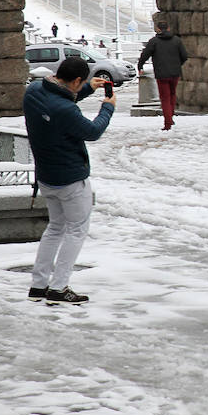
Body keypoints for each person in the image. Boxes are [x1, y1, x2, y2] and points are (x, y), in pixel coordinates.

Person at [24, 56, 115, 306]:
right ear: (75, 79)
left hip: (46, 177)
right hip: (71, 179)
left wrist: (87, 88)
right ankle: (59, 286)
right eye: (81, 82)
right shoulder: (65, 109)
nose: (82, 84)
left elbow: (60, 100)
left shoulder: (34, 90)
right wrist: (108, 106)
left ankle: (39, 284)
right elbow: (92, 131)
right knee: (76, 231)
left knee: (55, 228)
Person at [137, 21, 189, 131]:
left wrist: (140, 66)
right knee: (172, 94)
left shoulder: (154, 42)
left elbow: (144, 55)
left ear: (158, 29)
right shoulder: (177, 40)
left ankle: (168, 122)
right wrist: (177, 65)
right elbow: (184, 56)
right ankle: (170, 116)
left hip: (161, 74)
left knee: (165, 98)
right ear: (168, 28)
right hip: (175, 73)